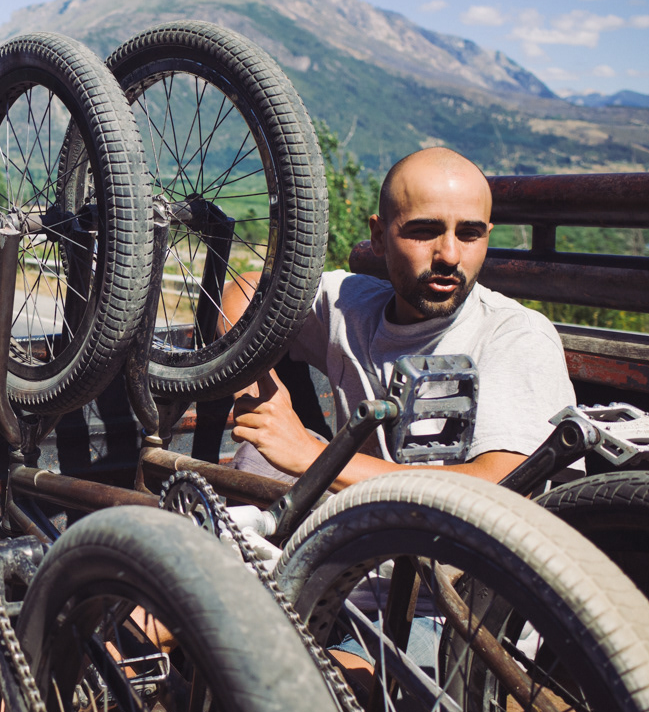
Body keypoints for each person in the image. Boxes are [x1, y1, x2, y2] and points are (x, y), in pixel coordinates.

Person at [225, 146, 575, 487]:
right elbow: (247, 288)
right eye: (425, 231)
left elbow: (504, 485)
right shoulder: (352, 304)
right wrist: (256, 391)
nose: (450, 255)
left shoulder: (515, 336)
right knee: (255, 459)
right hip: (358, 514)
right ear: (379, 236)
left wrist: (311, 456)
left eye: (469, 234)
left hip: (448, 528)